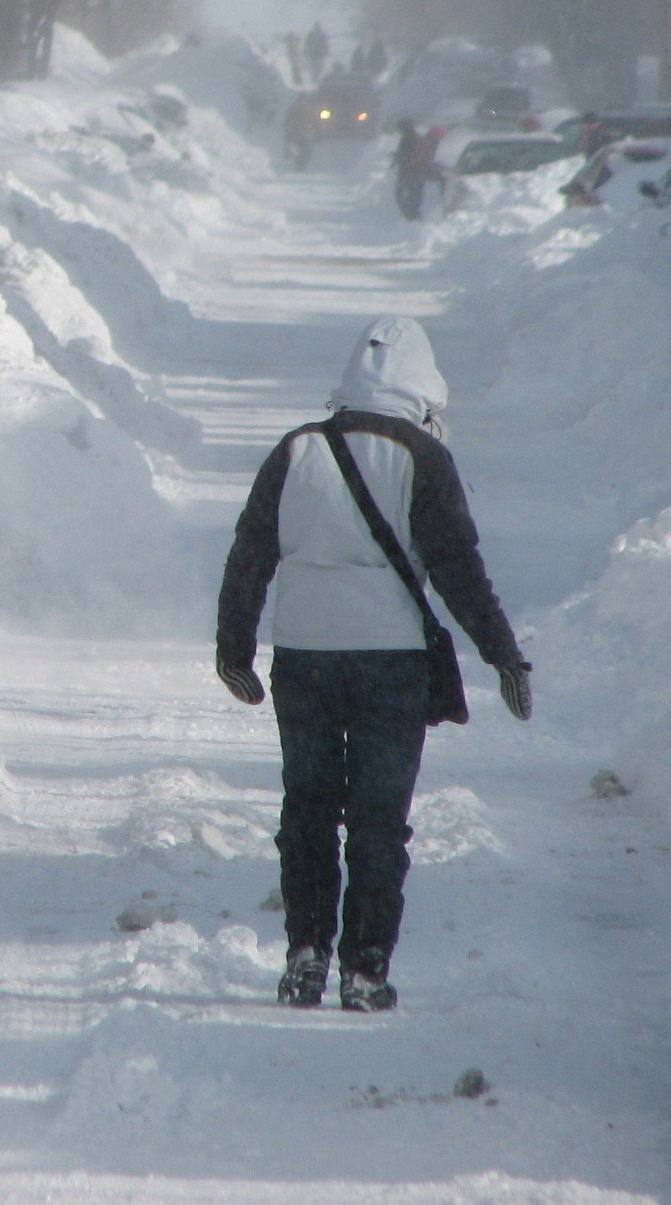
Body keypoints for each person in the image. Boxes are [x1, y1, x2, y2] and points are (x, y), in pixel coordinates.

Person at [214, 317, 531, 1012]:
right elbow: (457, 571)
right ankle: (364, 969)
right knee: (378, 819)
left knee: (308, 809)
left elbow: (250, 555)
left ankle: (304, 956)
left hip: (305, 659)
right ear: (424, 383)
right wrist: (503, 653)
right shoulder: (423, 456)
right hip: (391, 664)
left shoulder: (296, 450)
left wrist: (234, 649)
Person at [392, 121, 425, 221]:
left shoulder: (407, 139)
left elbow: (405, 155)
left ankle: (411, 217)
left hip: (407, 172)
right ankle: (413, 216)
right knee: (413, 196)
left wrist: (398, 158)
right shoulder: (418, 139)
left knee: (400, 195)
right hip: (417, 172)